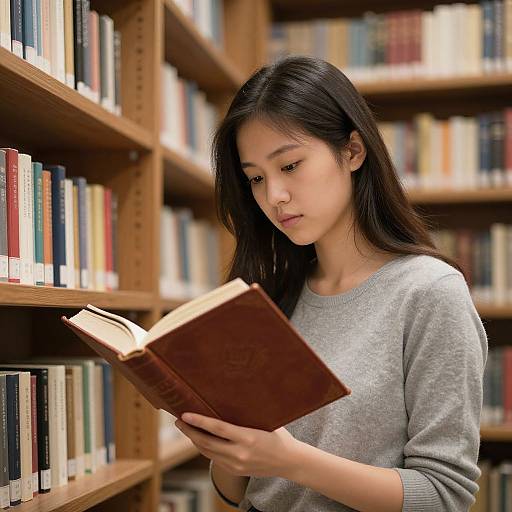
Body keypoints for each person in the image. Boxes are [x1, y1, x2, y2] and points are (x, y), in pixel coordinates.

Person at [173, 56, 488, 512]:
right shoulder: (273, 293)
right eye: (255, 178)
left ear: (353, 151)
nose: (273, 196)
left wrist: (290, 461)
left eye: (290, 165)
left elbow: (443, 497)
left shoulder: (430, 293)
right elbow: (236, 493)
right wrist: (226, 447)